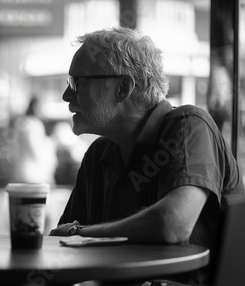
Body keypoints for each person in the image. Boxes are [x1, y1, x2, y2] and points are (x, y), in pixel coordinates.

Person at [49, 27, 244, 285]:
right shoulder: (98, 155)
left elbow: (171, 225)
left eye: (78, 82)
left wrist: (79, 233)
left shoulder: (188, 125)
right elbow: (58, 245)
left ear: (123, 88)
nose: (66, 95)